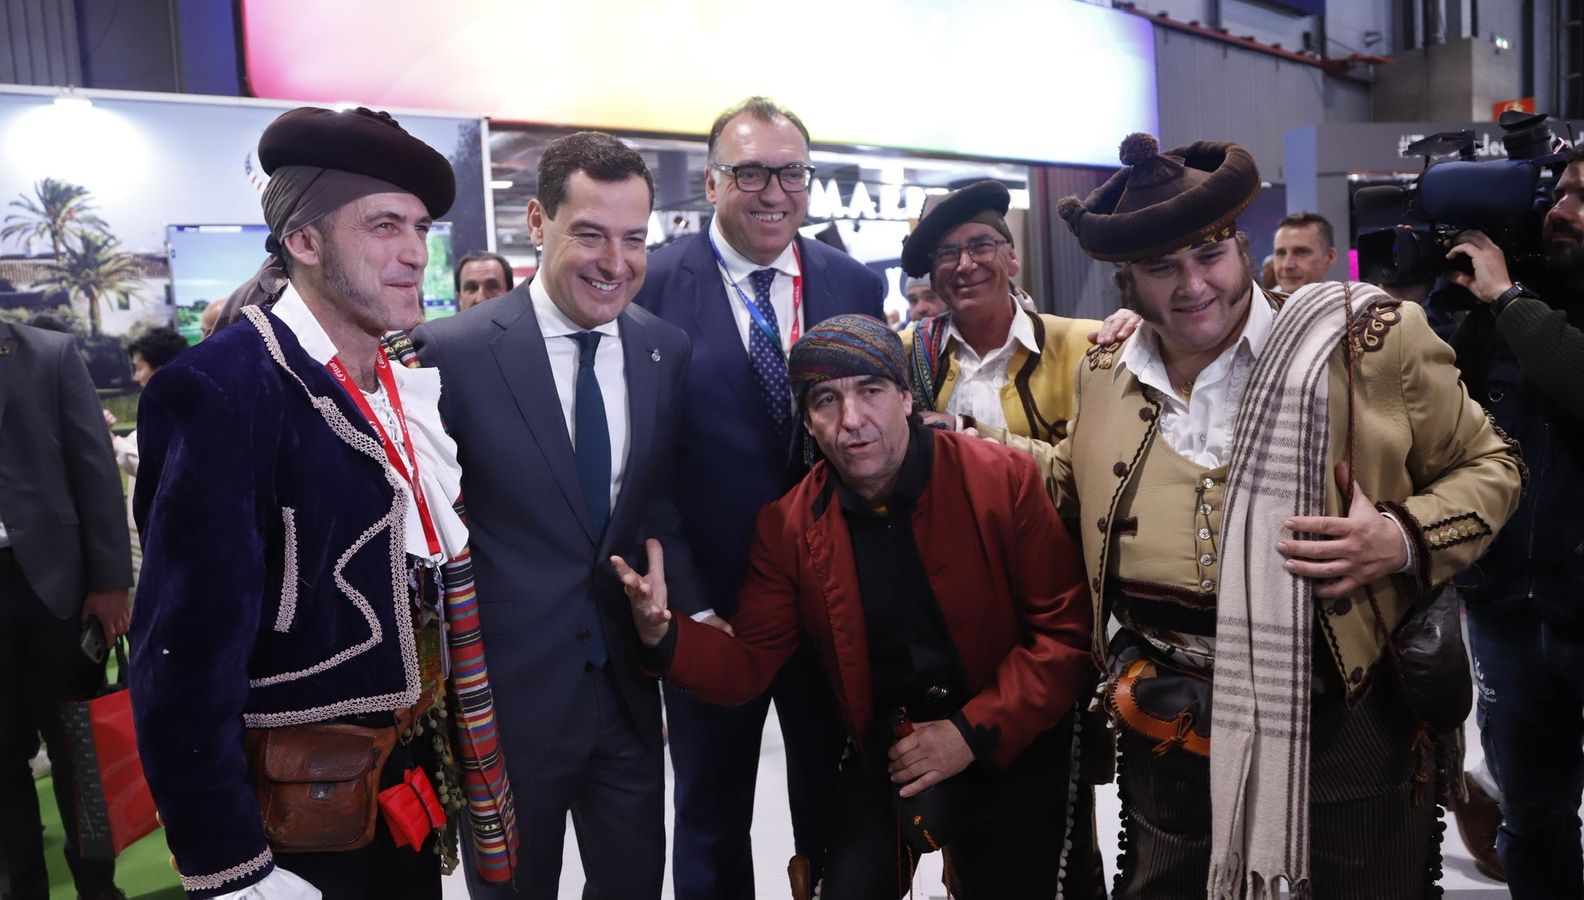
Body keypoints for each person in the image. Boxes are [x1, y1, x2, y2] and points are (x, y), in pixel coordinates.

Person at [1042, 132, 1524, 898]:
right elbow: (1066, 478)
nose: (1193, 285)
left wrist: (1400, 538)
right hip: (1165, 720)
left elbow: (1495, 465)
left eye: (1209, 255)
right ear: (1127, 281)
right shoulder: (1103, 371)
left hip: (1346, 717)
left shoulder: (1370, 344)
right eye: (1162, 267)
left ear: (1243, 245)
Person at [130, 105, 510, 899]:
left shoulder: (397, 381)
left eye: (420, 227)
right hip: (290, 817)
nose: (414, 254)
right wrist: (228, 866)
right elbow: (180, 664)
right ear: (303, 242)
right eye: (382, 226)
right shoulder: (222, 391)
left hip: (399, 788)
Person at [613, 314, 1094, 898]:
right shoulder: (789, 525)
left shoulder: (1001, 479)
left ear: (907, 398)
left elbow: (1063, 638)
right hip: (891, 748)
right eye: (826, 401)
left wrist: (966, 735)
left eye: (871, 391)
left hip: (1012, 732)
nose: (852, 422)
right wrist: (664, 636)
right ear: (809, 423)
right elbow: (749, 666)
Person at [416, 130, 701, 900]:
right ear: (537, 223)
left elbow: (657, 501)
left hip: (628, 702)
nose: (616, 262)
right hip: (506, 706)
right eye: (591, 234)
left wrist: (674, 605)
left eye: (635, 238)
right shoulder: (451, 353)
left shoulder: (663, 350)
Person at [633, 96, 884, 899]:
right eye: (750, 173)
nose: (774, 191)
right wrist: (695, 604)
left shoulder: (849, 279)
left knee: (838, 808)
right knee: (709, 816)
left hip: (832, 603)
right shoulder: (654, 284)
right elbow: (644, 465)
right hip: (715, 608)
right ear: (711, 182)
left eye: (791, 172)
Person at [1441, 142, 1584, 898]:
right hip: (1509, 607)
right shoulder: (1510, 302)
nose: (1561, 210)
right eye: (1559, 193)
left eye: (1582, 198)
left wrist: (1506, 298)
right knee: (1532, 818)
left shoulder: (1518, 304)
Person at [0, 310, 131, 900]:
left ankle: (99, 888)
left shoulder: (46, 353)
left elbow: (94, 467)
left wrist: (111, 582)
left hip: (58, 586)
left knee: (79, 750)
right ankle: (23, 890)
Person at [898, 180, 1105, 448]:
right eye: (947, 253)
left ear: (1012, 259)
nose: (965, 264)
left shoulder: (1085, 345)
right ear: (934, 280)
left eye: (982, 245)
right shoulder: (903, 355)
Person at [110, 326, 190, 578]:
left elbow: (149, 466)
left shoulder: (182, 409)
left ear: (161, 368)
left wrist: (109, 438)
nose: (136, 377)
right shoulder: (159, 407)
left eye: (140, 367)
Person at [1272, 211, 1339, 293]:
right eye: (1281, 253)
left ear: (1330, 257)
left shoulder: (1351, 304)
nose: (1287, 265)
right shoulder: (1257, 304)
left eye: (1301, 252)